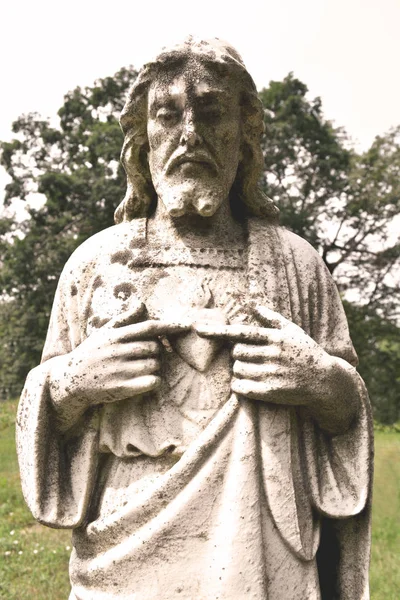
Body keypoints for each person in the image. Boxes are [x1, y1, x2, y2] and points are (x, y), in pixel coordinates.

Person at [17, 37, 373, 600]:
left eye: (211, 113)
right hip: (124, 541)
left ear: (245, 133)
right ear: (143, 137)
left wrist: (320, 380)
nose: (190, 134)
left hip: (263, 546)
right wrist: (73, 384)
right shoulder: (96, 263)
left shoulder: (296, 266)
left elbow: (349, 408)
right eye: (167, 115)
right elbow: (44, 399)